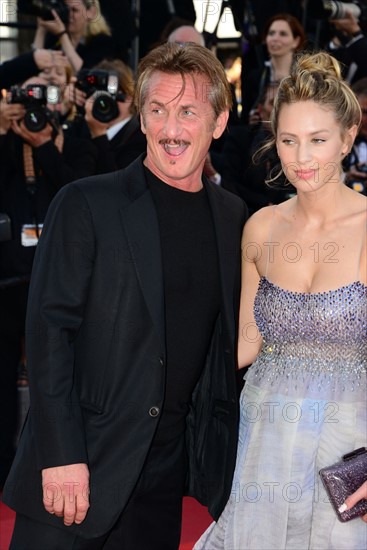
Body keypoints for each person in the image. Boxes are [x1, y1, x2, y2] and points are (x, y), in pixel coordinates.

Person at [2, 42, 247, 549]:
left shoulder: (232, 217)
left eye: (188, 112)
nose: (171, 129)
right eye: (156, 110)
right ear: (140, 118)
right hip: (76, 472)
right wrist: (61, 455)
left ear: (219, 122)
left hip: (162, 482)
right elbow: (49, 335)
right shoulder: (87, 203)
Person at [194, 51, 366, 548]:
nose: (302, 158)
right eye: (288, 141)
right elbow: (243, 345)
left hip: (347, 450)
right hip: (264, 443)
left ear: (347, 138)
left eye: (318, 140)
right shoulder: (263, 227)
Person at [0, 74, 97, 490]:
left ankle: (68, 457)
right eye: (30, 96)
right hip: (7, 280)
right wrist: (4, 131)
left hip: (63, 282)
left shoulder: (74, 140)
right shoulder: (5, 141)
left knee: (63, 372)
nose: (38, 108)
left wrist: (47, 149)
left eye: (47, 97)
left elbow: (82, 195)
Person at [83, 58, 147, 173]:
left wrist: (99, 135)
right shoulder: (84, 126)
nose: (103, 102)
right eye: (98, 95)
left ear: (128, 97)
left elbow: (119, 185)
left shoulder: (140, 136)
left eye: (111, 95)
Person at [241, 12, 306, 123]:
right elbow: (245, 115)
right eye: (271, 33)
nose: (275, 38)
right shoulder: (255, 77)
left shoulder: (305, 76)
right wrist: (251, 119)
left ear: (296, 41)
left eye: (283, 34)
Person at [32, 0, 115, 72]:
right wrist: (41, 30)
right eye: (66, 10)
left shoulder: (102, 42)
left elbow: (84, 73)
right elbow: (34, 64)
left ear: (91, 12)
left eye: (74, 10)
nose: (69, 15)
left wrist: (62, 35)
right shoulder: (54, 38)